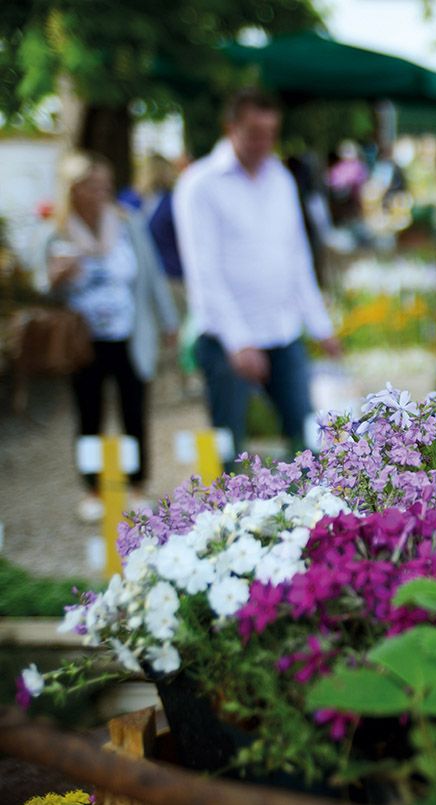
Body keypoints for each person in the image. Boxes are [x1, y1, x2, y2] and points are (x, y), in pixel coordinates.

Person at [174, 88, 341, 459]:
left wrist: (320, 325)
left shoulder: (280, 178)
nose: (263, 143)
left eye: (270, 134)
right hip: (226, 338)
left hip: (283, 330)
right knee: (229, 447)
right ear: (230, 127)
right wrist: (239, 341)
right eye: (254, 133)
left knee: (306, 438)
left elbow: (296, 258)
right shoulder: (200, 184)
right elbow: (203, 271)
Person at [35, 151, 179, 522]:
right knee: (89, 416)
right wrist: (56, 279)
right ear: (73, 189)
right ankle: (92, 488)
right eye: (92, 186)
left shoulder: (128, 224)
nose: (101, 192)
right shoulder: (57, 231)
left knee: (134, 412)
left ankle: (137, 485)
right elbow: (42, 287)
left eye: (105, 185)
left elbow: (151, 274)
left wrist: (168, 321)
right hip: (83, 341)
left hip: (129, 334)